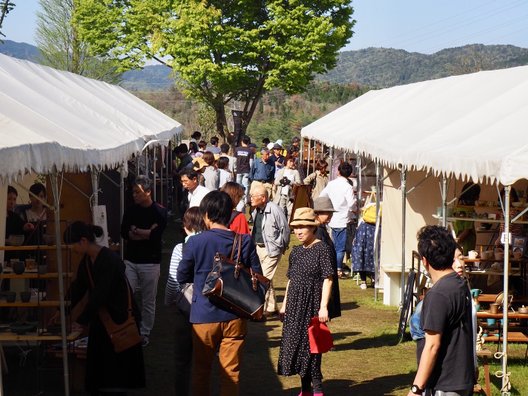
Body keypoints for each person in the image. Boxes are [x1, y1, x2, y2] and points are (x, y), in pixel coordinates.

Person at [177, 191, 262, 396]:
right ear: (229, 214)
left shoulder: (196, 242)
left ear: (206, 215)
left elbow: (182, 275)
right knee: (231, 372)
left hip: (204, 314)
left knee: (201, 370)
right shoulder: (244, 241)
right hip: (236, 312)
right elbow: (257, 275)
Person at [61, 221, 145, 395]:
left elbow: (100, 294)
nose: (72, 250)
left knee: (118, 367)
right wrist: (61, 310)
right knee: (101, 368)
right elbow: (78, 287)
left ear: (83, 241)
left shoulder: (109, 260)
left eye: (73, 245)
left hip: (119, 316)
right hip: (103, 318)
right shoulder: (86, 262)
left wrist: (81, 320)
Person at [407, 225, 475, 396]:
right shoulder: (459, 283)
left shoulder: (438, 294)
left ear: (424, 261)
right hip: (460, 379)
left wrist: (416, 389)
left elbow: (432, 346)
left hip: (445, 383)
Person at [278, 207, 334, 396]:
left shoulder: (323, 249)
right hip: (294, 304)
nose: (299, 231)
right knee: (297, 345)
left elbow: (328, 278)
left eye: (303, 227)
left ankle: (317, 389)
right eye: (296, 227)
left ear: (313, 228)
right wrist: (284, 305)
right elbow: (291, 280)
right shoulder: (295, 252)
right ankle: (305, 389)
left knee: (312, 347)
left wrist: (323, 307)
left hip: (312, 303)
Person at [120, 175, 167, 347]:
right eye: (133, 192)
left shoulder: (159, 211)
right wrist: (144, 232)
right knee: (127, 296)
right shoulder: (130, 210)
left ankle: (144, 332)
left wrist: (136, 231)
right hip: (131, 260)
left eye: (137, 192)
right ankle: (128, 328)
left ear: (148, 192)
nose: (134, 195)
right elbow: (125, 232)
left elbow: (155, 236)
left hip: (150, 261)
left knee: (148, 299)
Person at [165, 207, 205, 396]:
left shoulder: (181, 248)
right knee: (203, 359)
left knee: (182, 359)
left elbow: (173, 280)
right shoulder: (209, 245)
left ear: (186, 225)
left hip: (184, 307)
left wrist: (169, 301)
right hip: (206, 307)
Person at [250, 184, 290, 318]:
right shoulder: (256, 210)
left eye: (253, 196)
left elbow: (285, 228)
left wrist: (282, 246)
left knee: (263, 278)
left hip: (272, 249)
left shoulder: (274, 209)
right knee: (267, 278)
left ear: (263, 198)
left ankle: (259, 309)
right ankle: (271, 307)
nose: (250, 198)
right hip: (258, 248)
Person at [319, 162, 357, 278]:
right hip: (342, 219)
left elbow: (322, 196)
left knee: (333, 245)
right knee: (340, 247)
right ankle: (338, 269)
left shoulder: (331, 184)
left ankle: (334, 266)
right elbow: (351, 204)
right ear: (350, 174)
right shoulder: (347, 187)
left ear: (338, 172)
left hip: (331, 218)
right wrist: (355, 209)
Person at [313, 196, 341, 319]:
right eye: (327, 213)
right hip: (321, 278)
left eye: (331, 213)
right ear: (317, 213)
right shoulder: (317, 232)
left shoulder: (322, 229)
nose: (330, 216)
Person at [352, 190, 380, 289]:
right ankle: (372, 279)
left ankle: (364, 280)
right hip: (374, 231)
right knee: (373, 254)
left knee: (362, 255)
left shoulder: (368, 206)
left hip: (365, 231)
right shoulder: (380, 205)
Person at [453, 182, 480, 255]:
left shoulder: (456, 207)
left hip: (457, 238)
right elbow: (466, 231)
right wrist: (455, 242)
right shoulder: (469, 209)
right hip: (466, 243)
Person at [234, 136, 254, 207]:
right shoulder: (250, 151)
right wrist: (250, 170)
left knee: (238, 185)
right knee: (246, 185)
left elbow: (235, 160)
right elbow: (251, 162)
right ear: (248, 142)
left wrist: (235, 169)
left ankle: (238, 199)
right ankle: (244, 200)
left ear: (242, 141)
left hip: (238, 170)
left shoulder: (237, 149)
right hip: (246, 170)